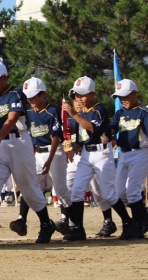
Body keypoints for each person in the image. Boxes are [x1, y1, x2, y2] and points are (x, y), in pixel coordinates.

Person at [0, 60, 55, 246]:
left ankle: (46, 224)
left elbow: (11, 120)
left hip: (18, 142)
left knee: (28, 188)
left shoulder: (15, 92)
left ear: (4, 77)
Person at [61, 76, 141, 241]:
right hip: (86, 154)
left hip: (102, 154)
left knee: (108, 194)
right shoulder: (82, 113)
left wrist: (73, 114)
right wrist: (74, 148)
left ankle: (128, 223)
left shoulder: (99, 109)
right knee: (76, 191)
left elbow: (92, 129)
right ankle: (78, 228)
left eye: (82, 95)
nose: (79, 98)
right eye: (76, 95)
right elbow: (84, 138)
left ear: (92, 94)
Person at [8, 77, 74, 237]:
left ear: (43, 95)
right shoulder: (29, 111)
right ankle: (21, 219)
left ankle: (68, 220)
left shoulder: (52, 112)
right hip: (38, 153)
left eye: (33, 96)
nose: (30, 100)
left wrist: (50, 160)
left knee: (60, 188)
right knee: (29, 184)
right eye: (28, 97)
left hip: (55, 152)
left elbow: (56, 138)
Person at [110, 79, 148, 237]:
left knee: (133, 191)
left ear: (135, 94)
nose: (122, 100)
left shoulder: (143, 112)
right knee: (120, 193)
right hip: (123, 153)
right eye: (119, 97)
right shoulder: (120, 112)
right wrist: (111, 136)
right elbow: (112, 127)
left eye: (125, 96)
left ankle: (138, 226)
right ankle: (144, 219)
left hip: (140, 153)